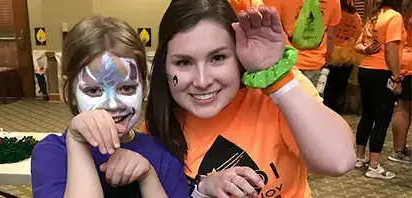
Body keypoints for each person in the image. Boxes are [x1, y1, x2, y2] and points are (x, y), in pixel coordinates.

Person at [143, 0, 356, 197]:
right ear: (164, 66)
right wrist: (200, 190)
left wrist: (277, 80)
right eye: (183, 62)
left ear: (238, 57)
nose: (202, 81)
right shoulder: (155, 127)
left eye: (218, 58)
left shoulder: (272, 95)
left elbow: (339, 161)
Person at [30, 16, 189, 198]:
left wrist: (148, 177)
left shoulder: (163, 154)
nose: (112, 105)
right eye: (93, 90)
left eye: (127, 88)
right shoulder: (52, 154)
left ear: (144, 88)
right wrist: (76, 142)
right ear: (70, 94)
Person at [354, 0, 406, 179]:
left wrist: (366, 50)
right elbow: (391, 49)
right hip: (382, 72)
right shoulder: (394, 17)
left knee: (367, 115)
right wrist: (396, 77)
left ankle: (359, 158)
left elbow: (358, 44)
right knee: (382, 119)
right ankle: (374, 166)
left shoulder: (375, 16)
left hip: (365, 70)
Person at [263, 0, 342, 85]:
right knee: (310, 96)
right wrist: (327, 60)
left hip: (285, 63)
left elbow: (267, 30)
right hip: (315, 63)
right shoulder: (334, 1)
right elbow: (330, 36)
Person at [323, 0, 363, 114]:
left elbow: (327, 33)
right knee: (341, 87)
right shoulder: (356, 17)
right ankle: (337, 113)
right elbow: (358, 34)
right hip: (348, 56)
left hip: (330, 53)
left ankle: (325, 111)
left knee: (327, 86)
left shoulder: (332, 13)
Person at [389, 0, 412, 164]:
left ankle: (399, 148)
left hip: (403, 62)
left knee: (403, 107)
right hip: (410, 65)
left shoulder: (401, 13)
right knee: (404, 108)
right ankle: (398, 150)